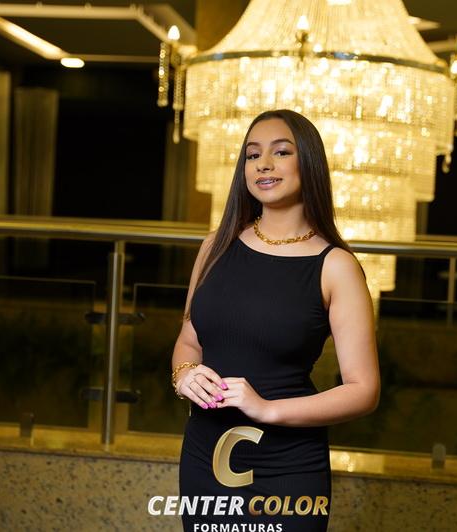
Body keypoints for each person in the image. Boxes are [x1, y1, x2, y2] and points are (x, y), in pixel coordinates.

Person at [171, 109, 380, 531]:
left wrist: (266, 409)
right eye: (253, 155)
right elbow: (189, 341)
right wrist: (184, 375)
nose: (263, 164)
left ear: (309, 162)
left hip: (286, 467)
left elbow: (364, 390)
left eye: (281, 152)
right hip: (204, 455)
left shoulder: (335, 266)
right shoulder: (215, 246)